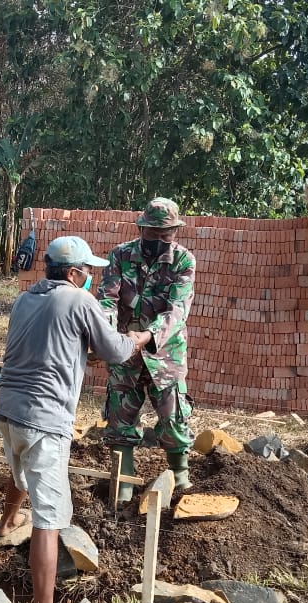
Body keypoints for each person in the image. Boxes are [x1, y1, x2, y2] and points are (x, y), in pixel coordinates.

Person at [0, 235, 151, 603]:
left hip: (9, 408)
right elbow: (116, 350)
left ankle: (6, 522)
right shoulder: (80, 300)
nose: (92, 277)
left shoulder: (26, 299)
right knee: (49, 515)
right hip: (45, 417)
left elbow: (49, 343)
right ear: (74, 273)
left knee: (20, 470)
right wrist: (139, 339)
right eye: (89, 271)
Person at [97, 197, 197, 502]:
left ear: (175, 231)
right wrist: (103, 333)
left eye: (167, 234)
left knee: (173, 418)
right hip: (125, 352)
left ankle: (180, 480)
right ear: (141, 229)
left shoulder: (183, 261)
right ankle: (123, 487)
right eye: (154, 233)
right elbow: (108, 299)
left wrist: (148, 336)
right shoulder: (120, 255)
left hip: (164, 355)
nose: (160, 239)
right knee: (120, 420)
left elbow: (177, 310)